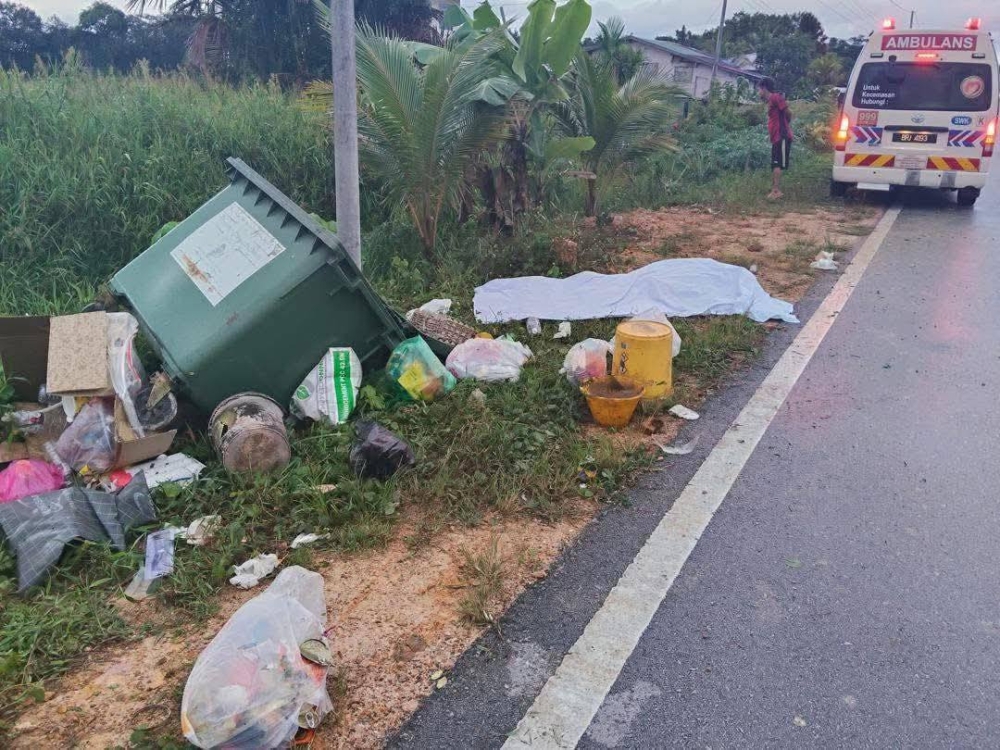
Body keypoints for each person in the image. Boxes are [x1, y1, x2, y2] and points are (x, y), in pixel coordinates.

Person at [759, 77, 793, 200]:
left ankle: (776, 191)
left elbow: (788, 112)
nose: (759, 92)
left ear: (764, 88)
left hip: (781, 135)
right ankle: (775, 189)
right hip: (776, 137)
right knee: (775, 164)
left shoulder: (776, 98)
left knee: (777, 163)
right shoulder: (770, 101)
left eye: (759, 89)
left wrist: (785, 125)